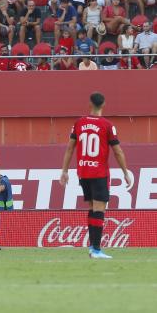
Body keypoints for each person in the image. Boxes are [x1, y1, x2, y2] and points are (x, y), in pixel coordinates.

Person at [60, 92, 132, 259]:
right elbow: (118, 151)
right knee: (100, 209)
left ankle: (92, 246)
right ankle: (96, 250)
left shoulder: (78, 123)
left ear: (89, 104)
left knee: (92, 207)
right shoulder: (107, 125)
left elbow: (70, 148)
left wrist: (64, 171)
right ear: (104, 104)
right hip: (99, 172)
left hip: (83, 172)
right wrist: (125, 172)